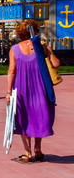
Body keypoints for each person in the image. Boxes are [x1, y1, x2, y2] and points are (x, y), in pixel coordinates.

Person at [7, 20, 60, 163]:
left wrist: (8, 91)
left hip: (22, 88)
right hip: (41, 88)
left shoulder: (15, 49)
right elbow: (56, 64)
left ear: (19, 33)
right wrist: (47, 51)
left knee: (24, 118)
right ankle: (38, 148)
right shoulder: (41, 46)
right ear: (35, 31)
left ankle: (27, 152)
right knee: (39, 116)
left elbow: (12, 71)